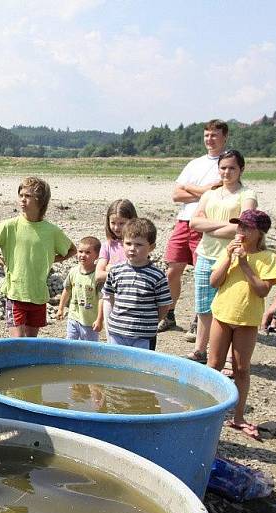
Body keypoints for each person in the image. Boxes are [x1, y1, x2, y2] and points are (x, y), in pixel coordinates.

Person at [208, 209, 276, 440]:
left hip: (247, 320)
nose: (241, 231)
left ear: (259, 233)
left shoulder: (267, 258)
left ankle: (238, 416)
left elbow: (262, 290)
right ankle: (208, 409)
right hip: (222, 315)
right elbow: (214, 282)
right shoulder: (228, 251)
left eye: (247, 228)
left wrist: (245, 264)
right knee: (214, 364)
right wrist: (229, 258)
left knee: (242, 368)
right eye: (240, 227)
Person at [0, 176, 75, 338]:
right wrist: (1, 262)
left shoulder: (51, 231)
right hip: (15, 293)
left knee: (31, 343)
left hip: (38, 295)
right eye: (21, 195)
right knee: (17, 342)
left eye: (28, 196)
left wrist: (51, 258)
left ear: (40, 201)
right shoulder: (10, 226)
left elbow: (72, 250)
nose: (23, 200)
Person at [187, 150, 257, 369]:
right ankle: (200, 349)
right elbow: (194, 223)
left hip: (232, 257)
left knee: (229, 306)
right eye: (223, 167)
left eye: (232, 168)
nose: (227, 172)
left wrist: (211, 227)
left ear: (241, 169)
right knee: (203, 305)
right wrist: (226, 227)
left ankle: (226, 355)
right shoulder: (210, 194)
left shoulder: (247, 194)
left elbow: (245, 227)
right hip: (206, 254)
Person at [158, 119, 228, 335]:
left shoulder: (226, 163)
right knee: (172, 269)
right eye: (207, 135)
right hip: (184, 221)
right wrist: (202, 189)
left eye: (214, 135)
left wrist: (190, 187)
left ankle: (200, 318)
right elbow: (176, 195)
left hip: (206, 224)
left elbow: (216, 191)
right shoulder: (194, 163)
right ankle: (169, 314)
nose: (210, 139)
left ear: (225, 137)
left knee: (203, 273)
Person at [94, 218, 172, 349]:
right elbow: (109, 296)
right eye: (128, 243)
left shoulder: (157, 276)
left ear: (151, 247)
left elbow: (164, 305)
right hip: (117, 331)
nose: (132, 249)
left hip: (144, 335)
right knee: (117, 364)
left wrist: (152, 322)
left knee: (140, 366)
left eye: (139, 245)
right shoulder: (116, 271)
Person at [94, 199, 138, 335]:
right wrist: (123, 272)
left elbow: (138, 271)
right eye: (113, 223)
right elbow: (99, 275)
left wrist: (112, 268)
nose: (117, 228)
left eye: (121, 223)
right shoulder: (107, 245)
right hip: (110, 299)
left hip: (132, 300)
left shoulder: (134, 245)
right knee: (112, 336)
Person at [57, 236, 102, 341]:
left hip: (89, 321)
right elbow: (67, 290)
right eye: (80, 251)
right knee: (69, 343)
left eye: (87, 252)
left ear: (97, 255)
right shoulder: (74, 271)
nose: (82, 255)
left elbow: (101, 299)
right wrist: (60, 308)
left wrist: (100, 319)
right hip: (73, 317)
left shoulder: (97, 276)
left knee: (88, 349)